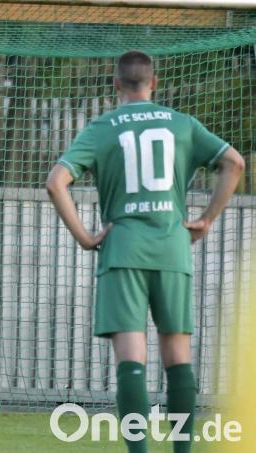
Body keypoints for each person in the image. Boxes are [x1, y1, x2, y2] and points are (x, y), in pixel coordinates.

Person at [46, 50, 244, 452]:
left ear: (116, 84)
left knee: (131, 360)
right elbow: (234, 163)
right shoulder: (182, 125)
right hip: (172, 248)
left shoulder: (102, 128)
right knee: (178, 356)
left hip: (123, 249)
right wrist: (205, 219)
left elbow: (56, 182)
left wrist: (85, 236)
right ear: (153, 82)